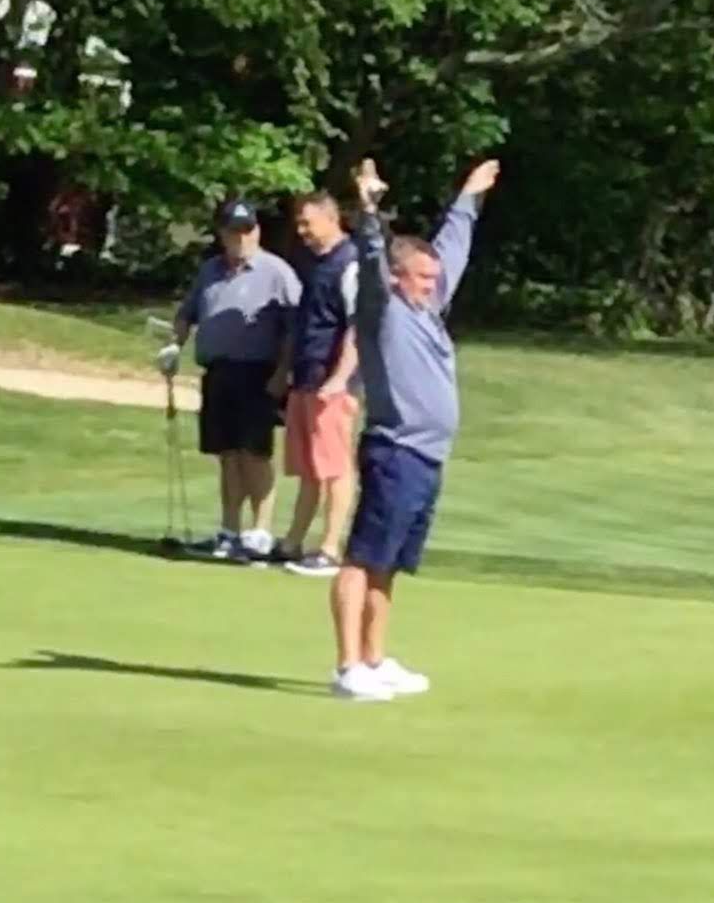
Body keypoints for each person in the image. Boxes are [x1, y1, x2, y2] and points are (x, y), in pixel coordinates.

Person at [329, 157, 501, 700]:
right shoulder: (383, 309)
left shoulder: (428, 305)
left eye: (433, 279)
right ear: (399, 279)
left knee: (391, 565)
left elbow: (453, 247)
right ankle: (347, 666)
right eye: (422, 278)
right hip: (394, 451)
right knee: (363, 559)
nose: (432, 285)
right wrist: (369, 206)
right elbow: (372, 252)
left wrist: (469, 197)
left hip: (427, 458)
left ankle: (376, 659)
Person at [157, 199, 302, 562]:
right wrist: (174, 345)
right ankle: (229, 530)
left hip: (259, 373)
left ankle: (261, 531)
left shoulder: (276, 272)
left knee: (254, 453)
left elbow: (292, 330)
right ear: (221, 233)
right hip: (218, 372)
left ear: (257, 230)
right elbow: (187, 314)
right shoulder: (210, 271)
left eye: (247, 229)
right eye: (233, 230)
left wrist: (283, 373)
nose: (240, 237)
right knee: (227, 453)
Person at [272, 190, 360, 577]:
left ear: (331, 218)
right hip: (306, 377)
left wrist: (340, 379)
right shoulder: (312, 263)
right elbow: (303, 324)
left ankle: (329, 547)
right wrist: (285, 372)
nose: (302, 230)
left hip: (333, 382)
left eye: (308, 222)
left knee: (335, 466)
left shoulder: (351, 264)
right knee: (308, 465)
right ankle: (293, 541)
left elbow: (359, 329)